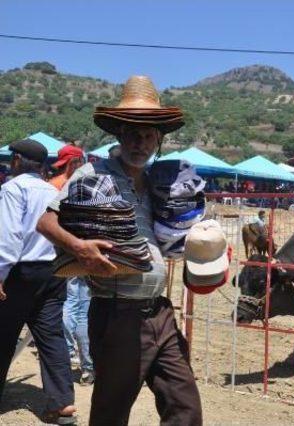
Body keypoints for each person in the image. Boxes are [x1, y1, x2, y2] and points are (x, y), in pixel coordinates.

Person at [37, 76, 202, 426]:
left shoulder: (163, 182)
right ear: (119, 135)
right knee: (111, 413)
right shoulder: (93, 174)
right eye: (132, 133)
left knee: (184, 406)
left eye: (147, 136)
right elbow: (46, 223)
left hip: (160, 312)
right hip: (117, 314)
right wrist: (80, 247)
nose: (139, 142)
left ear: (159, 139)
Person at [0, 139, 76, 424]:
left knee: (4, 334)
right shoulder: (52, 191)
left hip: (21, 272)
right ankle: (62, 403)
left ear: (17, 161)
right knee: (51, 336)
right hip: (53, 272)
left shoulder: (12, 189)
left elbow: (8, 238)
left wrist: (0, 275)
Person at [49, 144, 95, 385]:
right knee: (83, 312)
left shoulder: (53, 186)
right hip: (84, 252)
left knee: (69, 307)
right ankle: (88, 367)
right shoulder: (88, 184)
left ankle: (66, 357)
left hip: (63, 254)